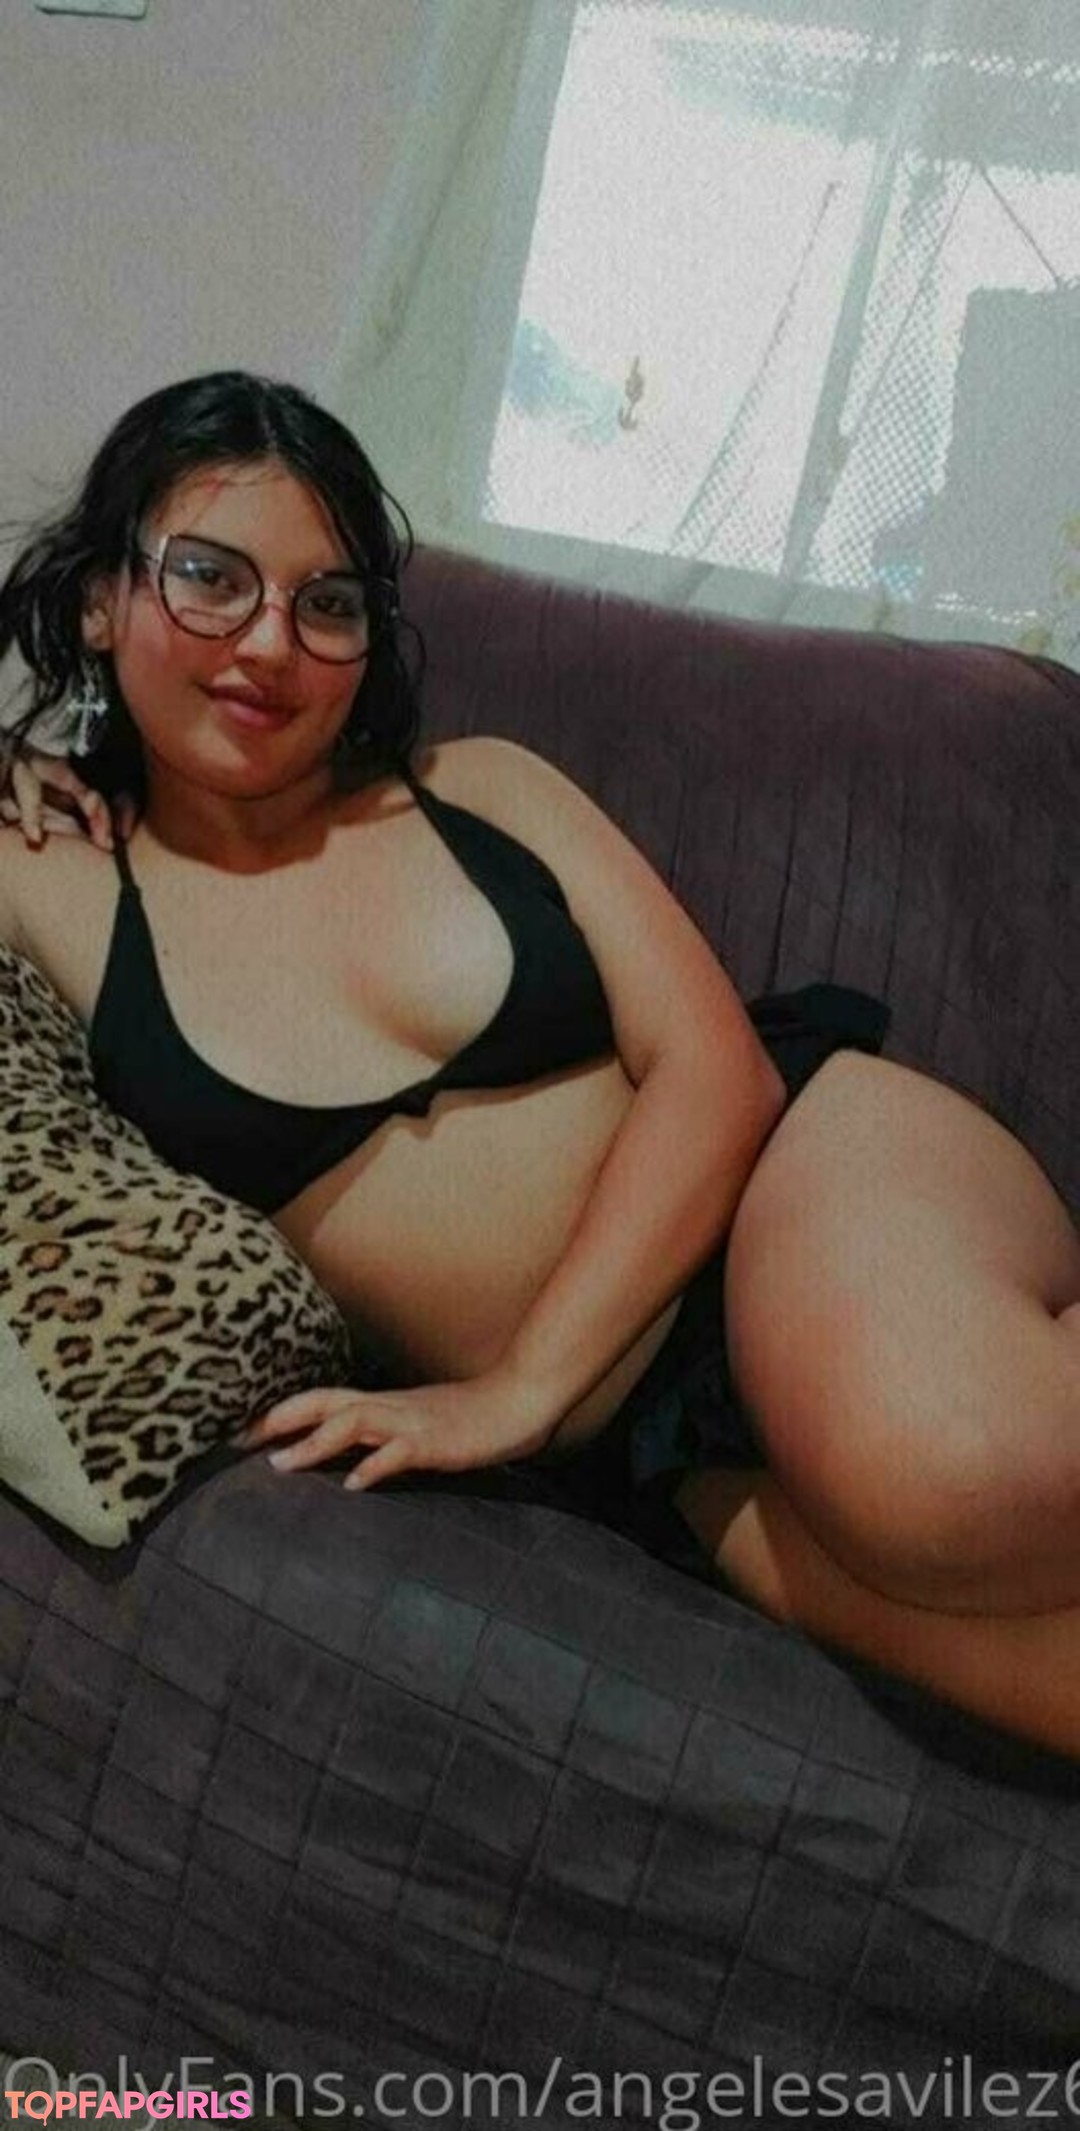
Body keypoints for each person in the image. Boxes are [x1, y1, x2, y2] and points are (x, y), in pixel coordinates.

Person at [1, 370, 1078, 1758]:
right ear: (102, 596)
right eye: (210, 578)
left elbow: (720, 1072)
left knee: (945, 1468)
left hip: (805, 1181)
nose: (269, 643)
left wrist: (514, 1391)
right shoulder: (51, 875)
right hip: (652, 1447)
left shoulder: (484, 790)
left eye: (326, 603)